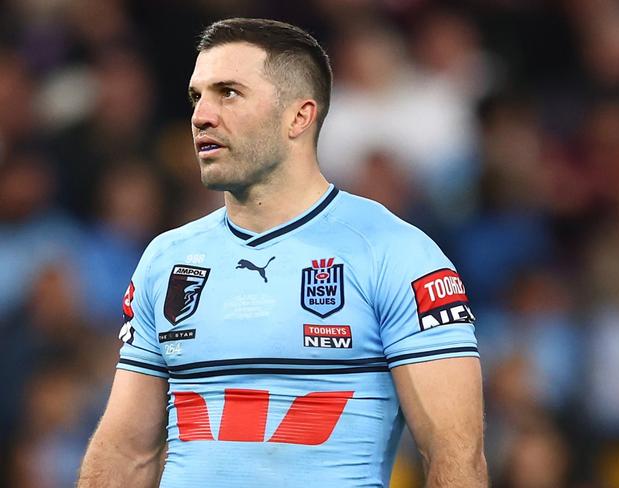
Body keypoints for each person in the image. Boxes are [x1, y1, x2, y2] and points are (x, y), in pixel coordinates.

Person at [77, 18, 487, 487]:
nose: (201, 116)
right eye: (197, 96)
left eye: (228, 92)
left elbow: (455, 461)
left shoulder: (397, 254)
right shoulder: (166, 259)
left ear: (299, 116)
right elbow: (126, 452)